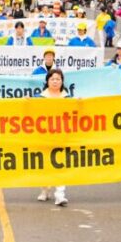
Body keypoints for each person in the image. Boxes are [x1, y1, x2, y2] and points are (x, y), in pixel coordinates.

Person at [37, 69, 71, 206]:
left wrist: (79, 104)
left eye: (58, 79)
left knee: (61, 164)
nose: (55, 81)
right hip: (45, 136)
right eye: (52, 79)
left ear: (62, 81)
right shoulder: (40, 97)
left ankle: (60, 194)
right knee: (45, 164)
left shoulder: (68, 98)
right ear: (47, 81)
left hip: (62, 136)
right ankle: (45, 190)